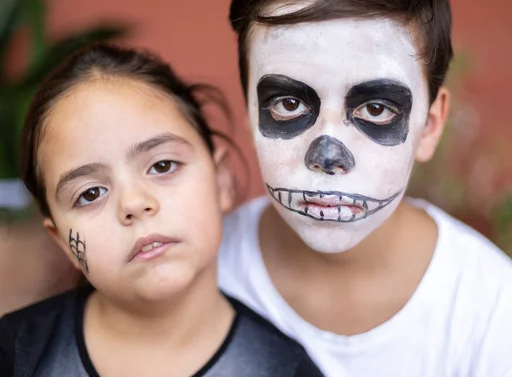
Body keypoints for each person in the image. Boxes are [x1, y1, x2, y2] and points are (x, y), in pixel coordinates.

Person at [218, 0, 512, 376]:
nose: (328, 156)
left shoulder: (493, 309)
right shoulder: (205, 268)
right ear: (251, 114)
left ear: (429, 126)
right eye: (288, 103)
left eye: (376, 109)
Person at [0, 43, 323, 377]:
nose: (134, 204)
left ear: (221, 181)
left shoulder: (282, 367)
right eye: (90, 193)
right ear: (62, 241)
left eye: (163, 165)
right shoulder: (16, 353)